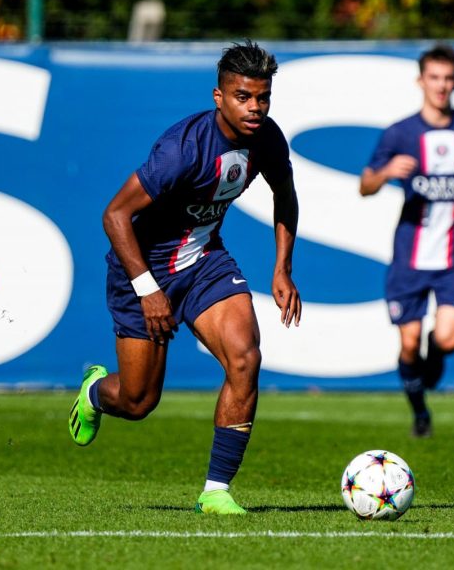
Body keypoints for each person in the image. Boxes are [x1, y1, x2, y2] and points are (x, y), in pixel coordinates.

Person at [68, 39, 302, 514]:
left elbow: (286, 196)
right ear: (219, 97)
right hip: (144, 269)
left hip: (203, 262)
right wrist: (148, 290)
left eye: (263, 97)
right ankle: (94, 392)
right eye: (243, 97)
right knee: (138, 402)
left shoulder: (268, 138)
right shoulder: (182, 150)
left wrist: (282, 269)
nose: (255, 107)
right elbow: (114, 216)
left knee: (245, 357)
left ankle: (216, 491)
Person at [359, 44, 454, 438]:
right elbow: (364, 185)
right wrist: (386, 171)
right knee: (408, 345)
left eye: (447, 79)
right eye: (434, 78)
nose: (441, 86)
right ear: (421, 81)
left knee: (450, 338)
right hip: (410, 258)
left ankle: (436, 356)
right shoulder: (400, 133)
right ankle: (420, 412)